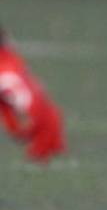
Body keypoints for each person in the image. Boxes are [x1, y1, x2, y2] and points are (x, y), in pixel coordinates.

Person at [0, 27, 66, 163]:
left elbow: (14, 89)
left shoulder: (6, 68)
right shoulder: (9, 61)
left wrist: (22, 118)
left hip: (31, 121)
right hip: (44, 116)